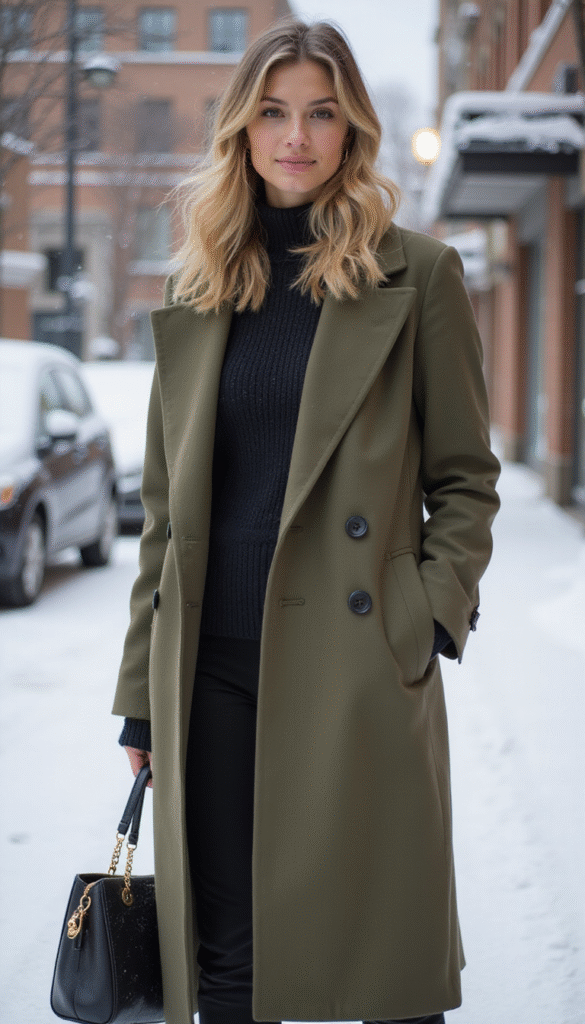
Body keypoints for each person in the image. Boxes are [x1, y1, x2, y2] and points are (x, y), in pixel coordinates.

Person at [113, 18, 500, 1024]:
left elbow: (465, 476)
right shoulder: (198, 286)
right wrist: (139, 695)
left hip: (360, 657)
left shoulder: (417, 276)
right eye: (274, 112)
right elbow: (164, 511)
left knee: (386, 968)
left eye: (321, 112)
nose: (297, 135)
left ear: (352, 129)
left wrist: (429, 612)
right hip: (212, 666)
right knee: (232, 971)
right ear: (241, 129)